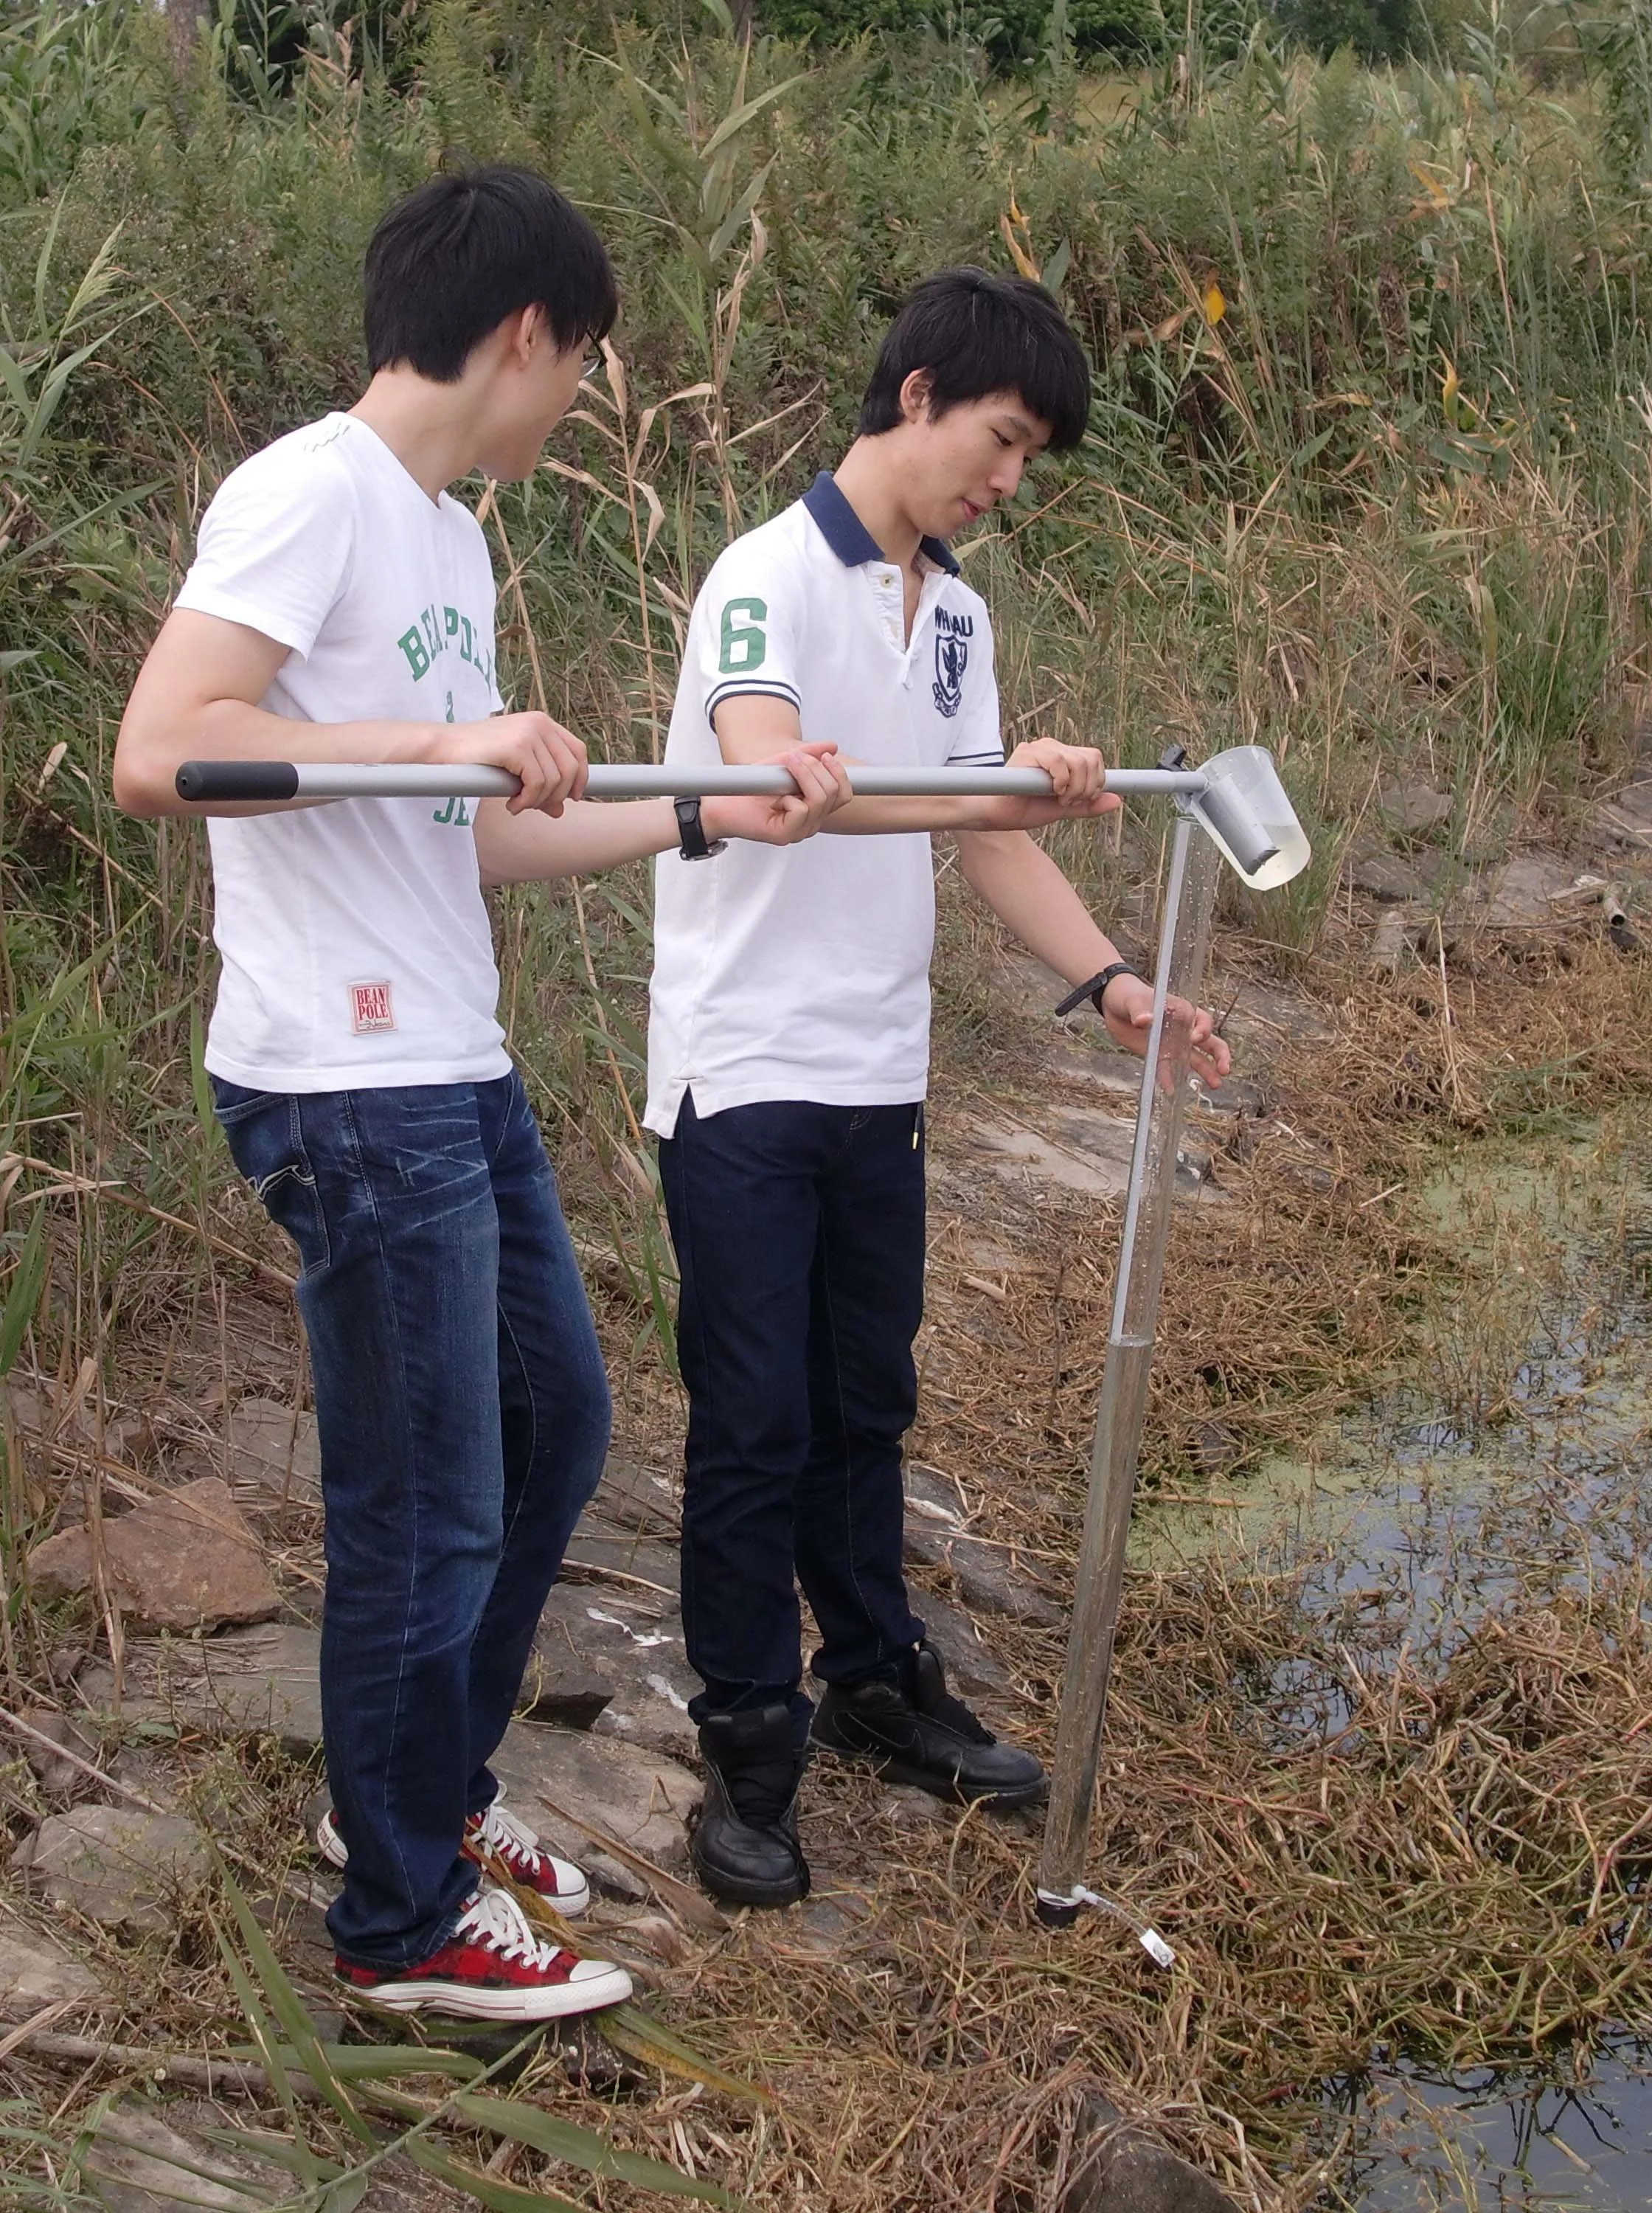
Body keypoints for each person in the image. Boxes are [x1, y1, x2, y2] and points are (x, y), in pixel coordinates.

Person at [113, 165, 847, 2015]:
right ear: (529, 334)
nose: (575, 404)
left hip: (451, 1061)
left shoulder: (446, 533)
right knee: (424, 1507)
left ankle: (420, 1803)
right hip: (348, 1084)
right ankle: (397, 1928)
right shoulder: (313, 491)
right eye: (582, 367)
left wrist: (697, 810)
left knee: (553, 1437)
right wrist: (442, 735)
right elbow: (165, 747)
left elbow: (460, 833)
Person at [645, 266, 1232, 1908]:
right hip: (744, 1067)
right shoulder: (766, 575)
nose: (1007, 478)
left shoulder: (956, 613)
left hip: (871, 1066)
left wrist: (1108, 975)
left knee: (865, 1401)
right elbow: (778, 773)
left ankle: (875, 1685)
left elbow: (973, 834)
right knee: (754, 1422)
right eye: (999, 438)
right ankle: (747, 1746)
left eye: (1031, 456)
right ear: (913, 400)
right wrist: (1003, 795)